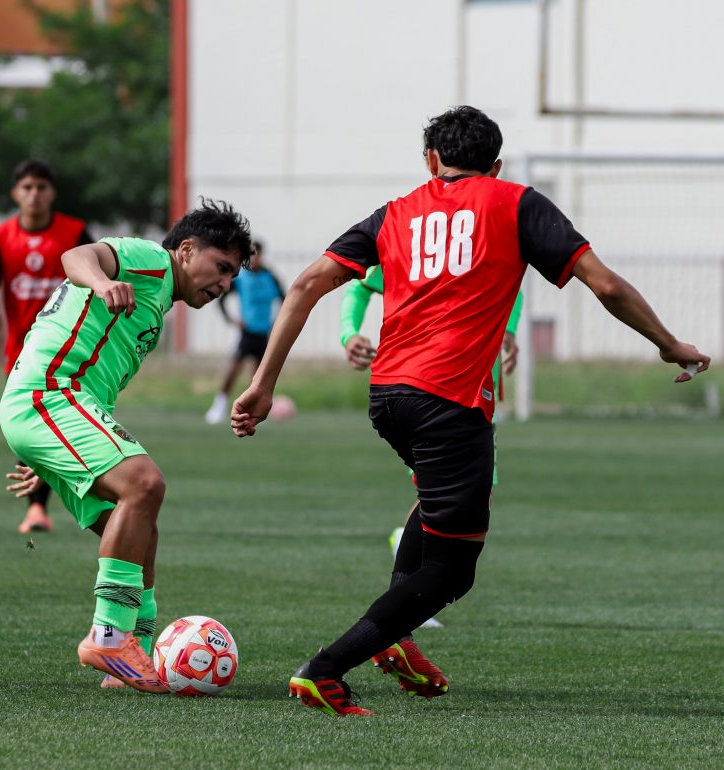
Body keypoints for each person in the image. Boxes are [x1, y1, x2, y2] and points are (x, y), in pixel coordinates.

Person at [231, 106, 709, 717]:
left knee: (432, 509)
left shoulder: (395, 212)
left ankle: (393, 638)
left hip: (389, 396)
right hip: (450, 402)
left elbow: (305, 284)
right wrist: (667, 342)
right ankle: (324, 671)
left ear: (432, 161)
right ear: (497, 165)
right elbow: (607, 285)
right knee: (453, 569)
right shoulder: (517, 204)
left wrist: (263, 384)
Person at [0, 199, 251, 692]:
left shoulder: (157, 301)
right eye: (221, 267)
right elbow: (76, 256)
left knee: (141, 529)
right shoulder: (150, 261)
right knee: (145, 484)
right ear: (186, 250)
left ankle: (138, 652)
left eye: (232, 276)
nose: (224, 284)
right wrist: (101, 281)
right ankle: (109, 637)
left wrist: (48, 454)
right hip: (48, 395)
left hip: (55, 410)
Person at [341, 267, 524, 631]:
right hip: (434, 390)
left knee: (460, 495)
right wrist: (350, 334)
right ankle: (405, 601)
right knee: (450, 496)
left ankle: (407, 590)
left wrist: (509, 329)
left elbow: (512, 284)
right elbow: (360, 286)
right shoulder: (422, 246)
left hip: (477, 389)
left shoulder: (488, 246)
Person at [0, 160, 93, 534]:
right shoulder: (0, 237)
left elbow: (97, 272)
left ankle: (44, 505)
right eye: (27, 187)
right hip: (22, 352)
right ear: (15, 193)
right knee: (32, 427)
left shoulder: (75, 233)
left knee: (63, 424)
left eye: (41, 187)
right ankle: (40, 505)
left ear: (52, 193)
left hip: (70, 349)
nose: (34, 194)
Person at [204, 240, 285, 424]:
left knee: (259, 377)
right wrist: (232, 321)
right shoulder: (241, 278)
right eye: (252, 255)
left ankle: (252, 410)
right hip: (246, 332)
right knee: (233, 370)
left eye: (258, 254)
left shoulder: (270, 277)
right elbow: (222, 299)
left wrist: (276, 323)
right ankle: (219, 406)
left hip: (263, 333)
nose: (255, 259)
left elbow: (285, 300)